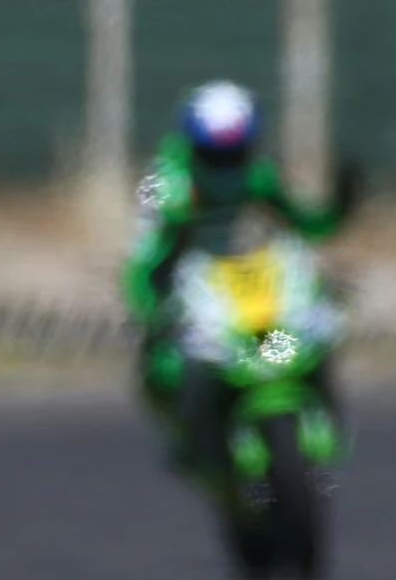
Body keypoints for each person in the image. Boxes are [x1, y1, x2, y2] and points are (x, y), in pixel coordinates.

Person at [121, 81, 351, 483]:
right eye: (217, 155)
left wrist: (341, 206)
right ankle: (191, 439)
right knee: (167, 364)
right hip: (190, 284)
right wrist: (148, 304)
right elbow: (146, 252)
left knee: (312, 336)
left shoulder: (260, 169)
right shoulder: (164, 179)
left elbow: (307, 225)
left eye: (237, 153)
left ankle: (323, 417)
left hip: (246, 279)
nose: (229, 165)